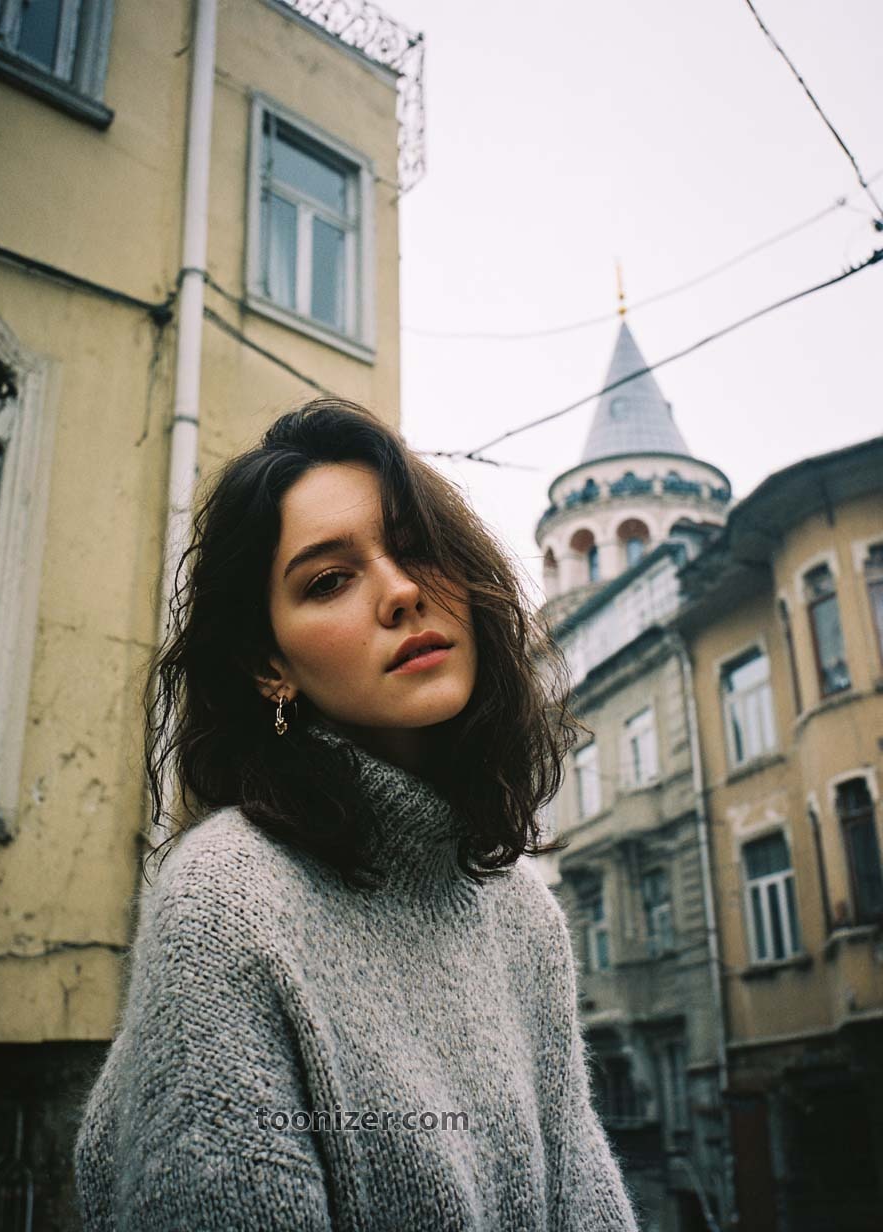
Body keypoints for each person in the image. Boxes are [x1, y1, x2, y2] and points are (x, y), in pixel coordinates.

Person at [73, 399, 638, 1231]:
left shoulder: (522, 913)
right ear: (270, 666)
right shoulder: (227, 905)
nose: (402, 592)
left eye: (416, 548)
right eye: (329, 581)